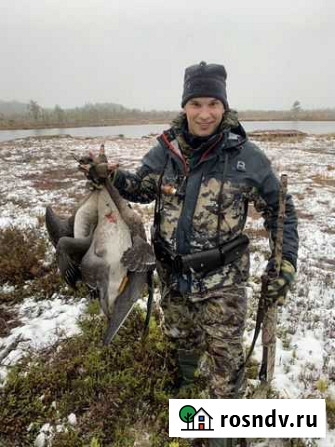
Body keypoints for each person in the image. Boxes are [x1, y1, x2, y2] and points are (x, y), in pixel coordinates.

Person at [81, 62, 298, 447]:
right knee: (180, 333)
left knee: (226, 359)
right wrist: (110, 176)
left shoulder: (247, 158)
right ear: (184, 106)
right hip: (173, 274)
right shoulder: (166, 152)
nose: (203, 113)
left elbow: (282, 212)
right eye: (195, 103)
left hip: (223, 281)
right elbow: (142, 188)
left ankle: (224, 432)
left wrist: (283, 265)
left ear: (223, 106)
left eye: (212, 103)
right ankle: (185, 381)